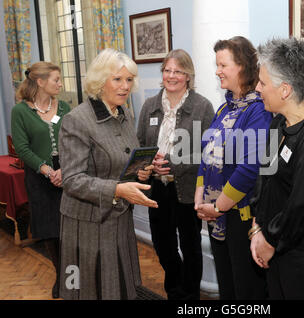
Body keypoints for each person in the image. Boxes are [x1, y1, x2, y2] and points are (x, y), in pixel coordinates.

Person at [58, 48, 157, 300]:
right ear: (101, 81)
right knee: (90, 288)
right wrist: (116, 189)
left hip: (119, 217)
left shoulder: (123, 114)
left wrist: (140, 173)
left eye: (129, 80)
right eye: (117, 79)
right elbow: (72, 180)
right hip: (87, 223)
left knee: (118, 285)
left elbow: (122, 162)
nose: (125, 86)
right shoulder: (77, 120)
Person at [250, 38, 304, 299]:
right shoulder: (278, 124)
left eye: (263, 83)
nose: (257, 89)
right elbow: (264, 177)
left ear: (285, 90)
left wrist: (269, 240)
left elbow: (301, 206)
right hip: (271, 247)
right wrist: (257, 227)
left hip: (299, 260)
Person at [195, 36, 272, 299]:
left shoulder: (259, 110)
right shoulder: (222, 109)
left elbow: (250, 168)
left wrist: (218, 207)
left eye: (222, 65)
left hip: (239, 217)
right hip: (216, 217)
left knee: (245, 290)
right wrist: (199, 196)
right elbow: (205, 157)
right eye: (217, 65)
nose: (217, 71)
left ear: (242, 66)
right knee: (227, 287)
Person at [137, 49, 214, 300]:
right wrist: (148, 164)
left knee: (191, 246)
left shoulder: (202, 107)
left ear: (188, 76)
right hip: (156, 187)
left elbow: (209, 152)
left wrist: (173, 163)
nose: (172, 76)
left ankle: (189, 296)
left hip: (188, 188)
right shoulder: (149, 105)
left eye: (178, 71)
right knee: (162, 244)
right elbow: (140, 144)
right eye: (167, 70)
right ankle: (174, 289)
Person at [11, 62, 70, 299]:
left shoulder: (65, 107)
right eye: (56, 79)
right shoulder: (20, 112)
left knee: (69, 231)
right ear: (40, 82)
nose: (60, 84)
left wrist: (65, 169)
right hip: (39, 177)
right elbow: (22, 149)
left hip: (67, 174)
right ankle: (62, 277)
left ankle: (73, 276)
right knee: (51, 232)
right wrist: (48, 171)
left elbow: (74, 140)